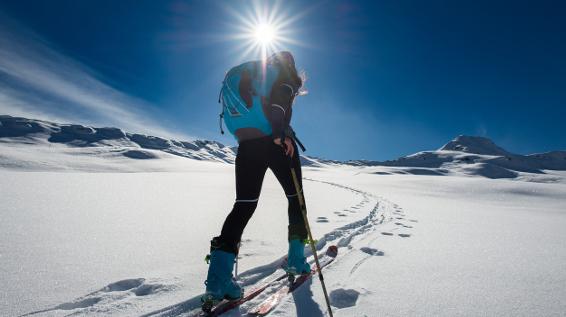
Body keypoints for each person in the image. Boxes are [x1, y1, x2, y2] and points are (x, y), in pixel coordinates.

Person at [202, 51, 309, 303]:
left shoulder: (255, 75)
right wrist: (280, 131)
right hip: (277, 142)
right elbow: (279, 102)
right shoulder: (286, 76)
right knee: (296, 199)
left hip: (247, 144)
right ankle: (296, 261)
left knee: (244, 205)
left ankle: (218, 282)